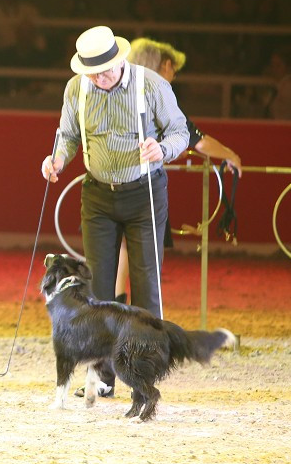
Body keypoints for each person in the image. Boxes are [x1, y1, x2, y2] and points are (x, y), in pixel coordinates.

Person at [40, 25, 189, 398]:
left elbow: (180, 131)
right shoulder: (77, 89)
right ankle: (103, 379)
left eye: (105, 70)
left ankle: (145, 374)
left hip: (145, 193)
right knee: (96, 290)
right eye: (92, 72)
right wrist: (56, 159)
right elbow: (68, 135)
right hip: (97, 195)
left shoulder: (151, 85)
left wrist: (163, 150)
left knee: (146, 286)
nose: (99, 78)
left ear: (119, 59)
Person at [114, 38, 243, 299]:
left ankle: (113, 305)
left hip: (110, 184)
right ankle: (141, 314)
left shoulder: (116, 94)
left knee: (119, 249)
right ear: (166, 65)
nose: (174, 76)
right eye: (174, 70)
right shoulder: (158, 95)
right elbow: (199, 140)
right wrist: (230, 154)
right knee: (144, 254)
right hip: (143, 187)